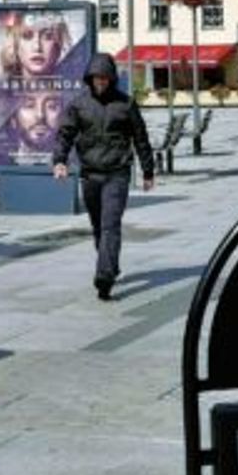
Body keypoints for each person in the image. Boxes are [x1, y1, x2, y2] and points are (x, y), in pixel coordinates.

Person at [51, 53, 155, 301]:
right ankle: (110, 263)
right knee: (98, 226)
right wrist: (59, 161)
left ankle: (104, 276)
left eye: (105, 77)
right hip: (90, 175)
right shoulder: (79, 105)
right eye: (97, 77)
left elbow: (141, 138)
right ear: (90, 78)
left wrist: (148, 170)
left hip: (117, 173)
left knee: (110, 225)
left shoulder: (126, 104)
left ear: (111, 78)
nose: (101, 82)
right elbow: (65, 134)